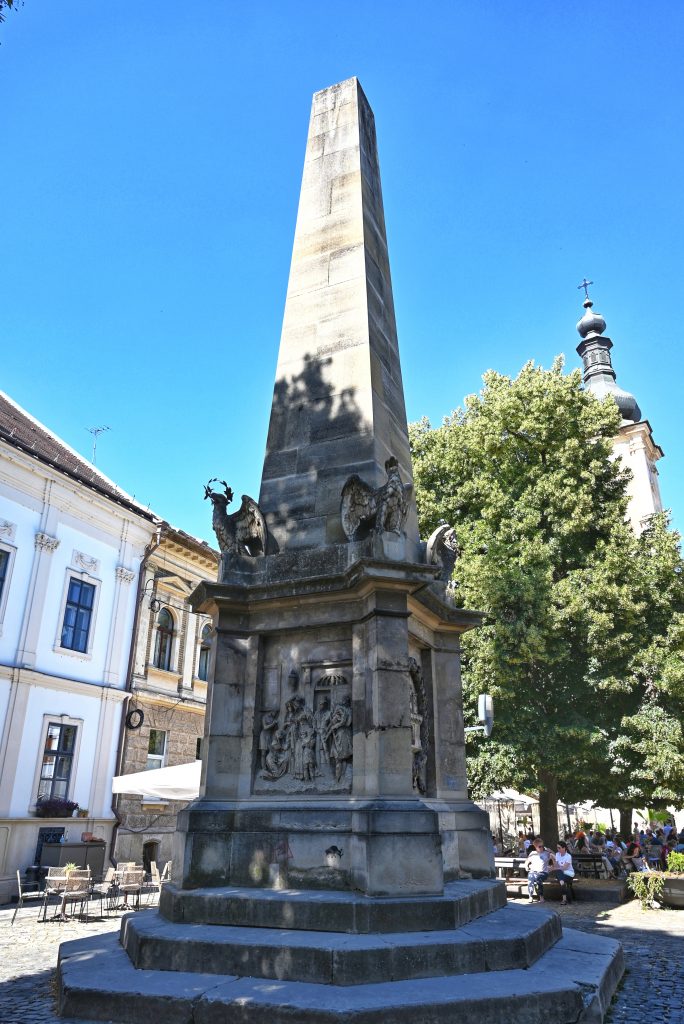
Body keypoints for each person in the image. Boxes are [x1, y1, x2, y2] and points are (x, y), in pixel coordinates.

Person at [524, 838, 555, 903]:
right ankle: (530, 896)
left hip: (543, 872)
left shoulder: (547, 853)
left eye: (542, 846)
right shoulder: (532, 853)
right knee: (530, 878)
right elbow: (527, 861)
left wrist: (551, 851)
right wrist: (526, 866)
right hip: (533, 871)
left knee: (539, 878)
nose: (542, 848)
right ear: (535, 847)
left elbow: (556, 857)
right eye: (540, 846)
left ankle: (541, 896)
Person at [552, 841, 575, 905]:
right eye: (557, 848)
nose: (558, 849)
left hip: (569, 873)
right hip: (561, 873)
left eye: (559, 848)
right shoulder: (557, 854)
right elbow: (556, 866)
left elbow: (564, 868)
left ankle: (564, 898)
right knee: (559, 874)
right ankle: (564, 899)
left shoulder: (568, 856)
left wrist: (553, 869)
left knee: (559, 871)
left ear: (564, 848)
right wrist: (553, 859)